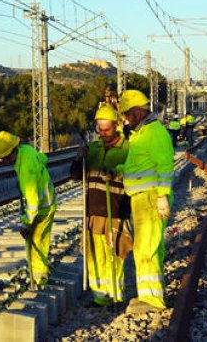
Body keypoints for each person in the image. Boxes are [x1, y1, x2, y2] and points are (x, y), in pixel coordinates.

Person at [116, 89, 175, 313]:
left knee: (145, 248)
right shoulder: (141, 133)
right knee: (150, 248)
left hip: (151, 198)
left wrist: (162, 196)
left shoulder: (154, 133)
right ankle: (151, 295)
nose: (125, 119)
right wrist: (119, 170)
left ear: (139, 112)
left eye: (128, 114)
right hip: (143, 199)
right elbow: (139, 164)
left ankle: (152, 301)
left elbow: (165, 167)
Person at [0, 130, 56, 286]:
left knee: (36, 242)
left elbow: (33, 200)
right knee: (39, 241)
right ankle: (38, 276)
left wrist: (26, 222)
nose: (5, 161)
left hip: (42, 209)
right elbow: (44, 158)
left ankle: (39, 279)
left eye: (5, 158)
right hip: (47, 202)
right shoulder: (26, 150)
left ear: (12, 152)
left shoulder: (26, 169)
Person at [84, 104, 132, 306]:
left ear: (116, 126)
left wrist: (117, 173)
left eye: (107, 130)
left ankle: (115, 296)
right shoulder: (93, 149)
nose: (102, 134)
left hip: (116, 211)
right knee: (95, 257)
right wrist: (80, 160)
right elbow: (77, 175)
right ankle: (99, 297)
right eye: (99, 130)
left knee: (115, 256)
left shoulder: (128, 149)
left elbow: (133, 175)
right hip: (93, 211)